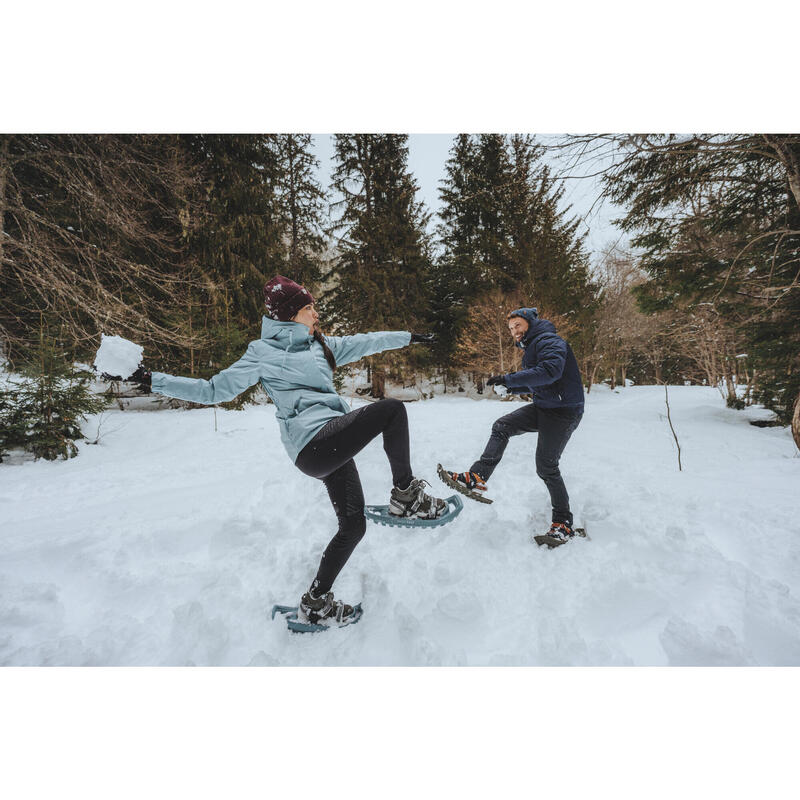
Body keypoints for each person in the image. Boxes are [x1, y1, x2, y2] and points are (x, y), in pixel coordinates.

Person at [131, 275, 446, 626]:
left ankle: (316, 603)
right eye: (309, 308)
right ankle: (405, 496)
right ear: (289, 314)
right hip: (312, 444)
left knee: (353, 527)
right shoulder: (262, 353)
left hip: (332, 445)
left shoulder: (320, 345)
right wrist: (151, 379)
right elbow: (212, 390)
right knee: (391, 410)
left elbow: (365, 342)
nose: (316, 313)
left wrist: (407, 337)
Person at [441, 307, 584, 546]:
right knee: (502, 426)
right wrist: (511, 387)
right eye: (510, 328)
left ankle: (563, 524)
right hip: (545, 406)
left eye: (517, 325)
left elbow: (550, 372)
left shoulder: (549, 340)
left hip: (563, 412)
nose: (514, 331)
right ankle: (477, 476)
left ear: (530, 323)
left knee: (547, 466)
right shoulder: (533, 345)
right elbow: (540, 382)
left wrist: (509, 379)